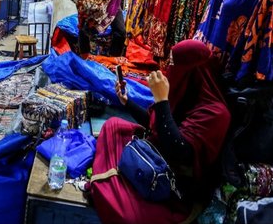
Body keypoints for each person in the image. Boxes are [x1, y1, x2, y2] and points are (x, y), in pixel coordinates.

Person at [90, 40, 231, 224]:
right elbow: (154, 124)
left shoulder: (217, 114)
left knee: (129, 217)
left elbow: (179, 151)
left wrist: (162, 101)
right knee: (114, 125)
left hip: (173, 182)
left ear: (193, 71)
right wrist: (127, 102)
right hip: (156, 151)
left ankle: (116, 181)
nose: (169, 69)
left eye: (174, 64)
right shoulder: (184, 92)